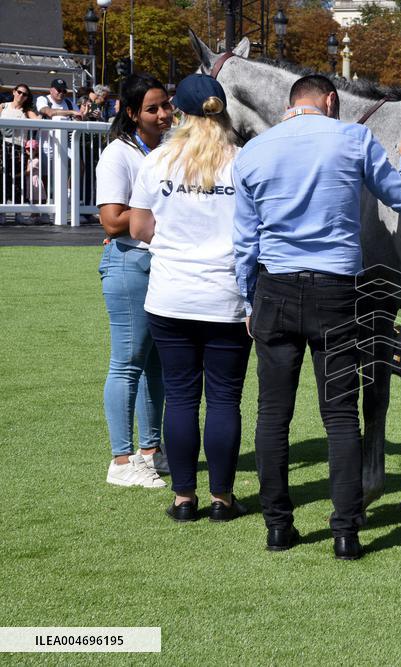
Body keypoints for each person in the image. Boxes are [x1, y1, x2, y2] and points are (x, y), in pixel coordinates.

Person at [232, 75, 401, 557]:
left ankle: (278, 527)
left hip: (275, 288)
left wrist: (249, 300)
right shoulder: (354, 138)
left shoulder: (254, 151)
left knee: (273, 415)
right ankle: (346, 531)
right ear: (330, 101)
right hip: (337, 291)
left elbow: (243, 242)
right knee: (341, 416)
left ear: (292, 104)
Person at [129, 74, 252, 522]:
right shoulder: (242, 162)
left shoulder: (157, 161)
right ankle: (222, 498)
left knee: (180, 397)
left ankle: (184, 498)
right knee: (224, 400)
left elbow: (139, 227)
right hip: (227, 296)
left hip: (171, 295)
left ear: (180, 112)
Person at [95, 73, 173, 488]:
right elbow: (111, 220)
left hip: (159, 264)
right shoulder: (118, 154)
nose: (163, 114)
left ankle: (150, 451)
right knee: (127, 363)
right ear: (131, 113)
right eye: (152, 108)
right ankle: (121, 460)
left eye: (166, 105)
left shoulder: (167, 149)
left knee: (155, 365)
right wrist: (162, 208)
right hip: (128, 261)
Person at [1, 83, 40, 210]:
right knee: (2, 178)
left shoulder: (27, 111)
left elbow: (39, 122)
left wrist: (39, 114)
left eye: (25, 94)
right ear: (14, 92)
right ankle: (2, 212)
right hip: (3, 146)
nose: (21, 95)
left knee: (18, 180)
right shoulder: (3, 106)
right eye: (19, 92)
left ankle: (18, 212)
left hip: (19, 147)